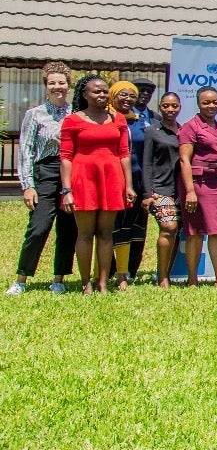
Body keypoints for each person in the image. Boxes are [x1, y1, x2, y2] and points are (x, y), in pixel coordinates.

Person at [59, 74, 135, 295]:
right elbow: (65, 156)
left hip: (112, 179)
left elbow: (124, 154)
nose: (101, 95)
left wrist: (128, 185)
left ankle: (102, 282)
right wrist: (66, 191)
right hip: (83, 179)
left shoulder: (118, 119)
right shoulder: (72, 120)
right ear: (84, 94)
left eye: (104, 91)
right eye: (96, 91)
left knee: (105, 233)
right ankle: (86, 283)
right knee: (85, 233)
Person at [10, 61, 76, 295]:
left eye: (61, 82)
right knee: (38, 227)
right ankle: (21, 279)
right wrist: (28, 186)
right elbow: (26, 151)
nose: (57, 87)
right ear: (46, 86)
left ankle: (59, 279)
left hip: (70, 174)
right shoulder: (35, 114)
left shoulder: (76, 115)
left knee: (68, 229)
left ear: (69, 86)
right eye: (52, 83)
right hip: (45, 173)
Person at [178, 86, 217, 288]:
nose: (211, 106)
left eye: (215, 102)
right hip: (198, 184)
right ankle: (192, 279)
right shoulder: (191, 126)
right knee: (196, 232)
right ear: (198, 104)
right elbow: (184, 160)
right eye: (206, 102)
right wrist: (190, 191)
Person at [108, 80, 148, 287]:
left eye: (131, 96)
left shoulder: (139, 121)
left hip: (140, 181)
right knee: (117, 228)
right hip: (115, 182)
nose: (128, 99)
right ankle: (115, 273)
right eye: (122, 94)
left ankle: (130, 271)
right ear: (112, 96)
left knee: (137, 228)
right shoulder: (106, 119)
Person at [142, 92, 182, 289]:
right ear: (160, 107)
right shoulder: (152, 131)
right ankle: (162, 277)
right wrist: (147, 193)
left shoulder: (183, 131)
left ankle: (167, 273)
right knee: (169, 227)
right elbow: (146, 164)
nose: (170, 110)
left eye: (174, 106)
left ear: (180, 107)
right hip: (159, 188)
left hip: (181, 190)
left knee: (176, 231)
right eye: (166, 106)